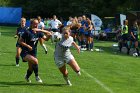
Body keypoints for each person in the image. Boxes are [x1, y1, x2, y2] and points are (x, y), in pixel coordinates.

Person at [19, 19, 51, 83]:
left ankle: (27, 77)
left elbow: (46, 39)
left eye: (37, 24)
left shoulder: (39, 32)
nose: (36, 25)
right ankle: (37, 77)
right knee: (35, 61)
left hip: (33, 52)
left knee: (31, 68)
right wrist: (28, 46)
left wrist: (48, 35)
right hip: (25, 52)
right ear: (31, 24)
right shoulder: (27, 32)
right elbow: (20, 41)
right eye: (35, 24)